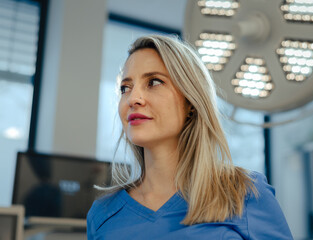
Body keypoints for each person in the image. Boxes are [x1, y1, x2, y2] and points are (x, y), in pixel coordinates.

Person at [87, 35, 293, 239]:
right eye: (125, 88)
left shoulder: (245, 193)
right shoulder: (102, 214)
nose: (133, 99)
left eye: (154, 82)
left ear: (191, 103)